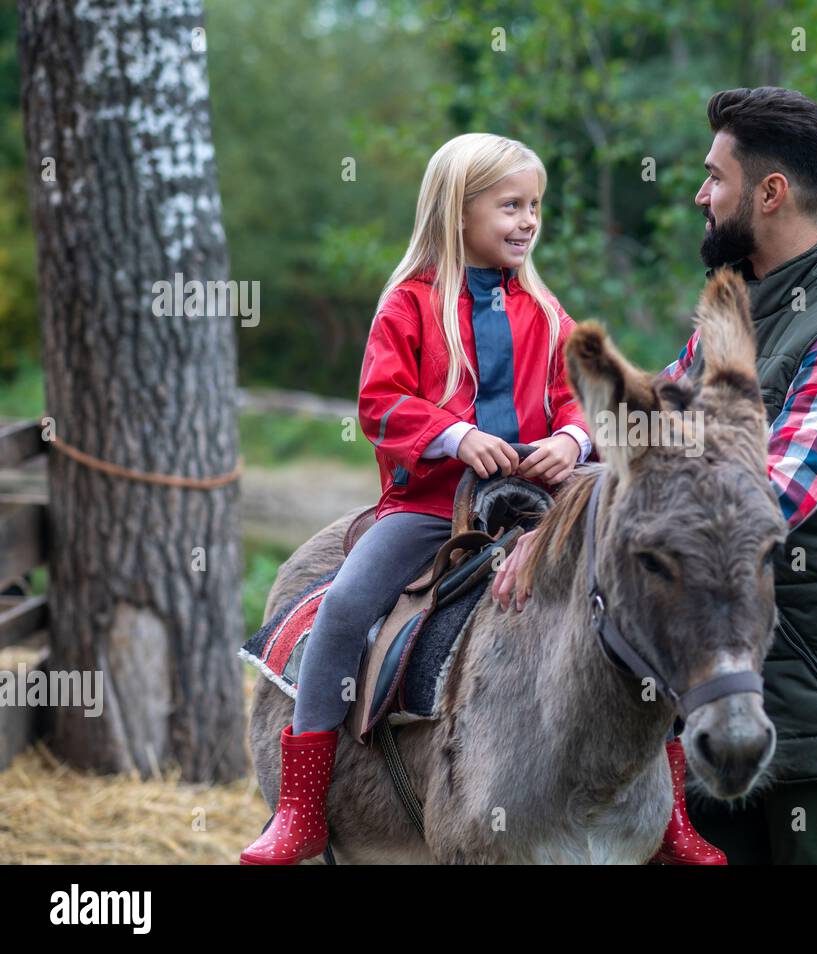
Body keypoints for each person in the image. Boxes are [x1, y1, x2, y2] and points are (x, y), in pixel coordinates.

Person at [493, 88, 817, 864]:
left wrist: (603, 511)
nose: (702, 196)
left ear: (769, 193)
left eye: (715, 178)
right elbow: (651, 443)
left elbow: (762, 497)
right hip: (709, 695)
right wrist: (556, 474)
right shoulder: (740, 316)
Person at [242, 132, 602, 864]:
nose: (528, 221)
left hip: (537, 507)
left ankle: (667, 806)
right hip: (432, 508)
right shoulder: (407, 306)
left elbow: (576, 400)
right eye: (509, 206)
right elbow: (379, 404)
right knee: (342, 611)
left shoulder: (545, 309)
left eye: (534, 206)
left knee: (626, 596)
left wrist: (570, 440)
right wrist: (456, 436)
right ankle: (304, 806)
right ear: (454, 211)